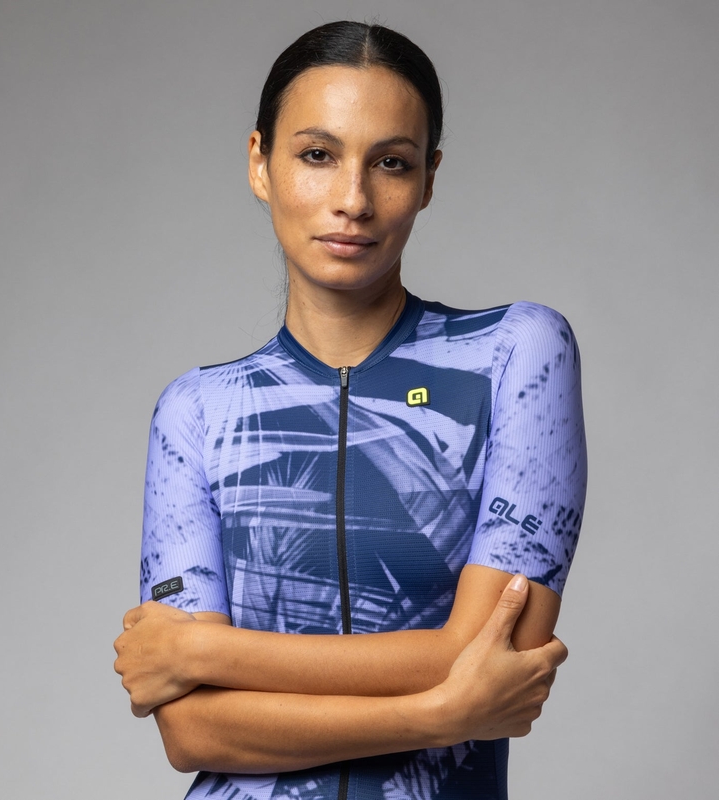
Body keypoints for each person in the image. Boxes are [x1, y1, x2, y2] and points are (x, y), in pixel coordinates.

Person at [114, 20, 586, 800]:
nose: (353, 200)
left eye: (391, 163)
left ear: (428, 180)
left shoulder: (514, 356)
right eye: (317, 155)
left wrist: (201, 652)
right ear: (260, 163)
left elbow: (489, 651)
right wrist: (440, 713)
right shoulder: (197, 413)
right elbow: (193, 734)